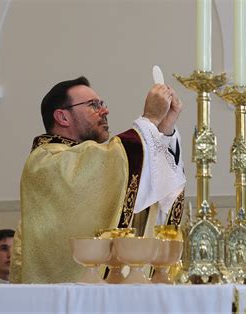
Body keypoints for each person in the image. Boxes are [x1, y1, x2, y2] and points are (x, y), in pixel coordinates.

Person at [10, 76, 186, 283]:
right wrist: (149, 121)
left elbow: (148, 191)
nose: (105, 111)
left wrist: (163, 131)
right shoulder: (44, 162)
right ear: (62, 117)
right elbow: (112, 159)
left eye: (102, 104)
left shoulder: (94, 157)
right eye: (93, 105)